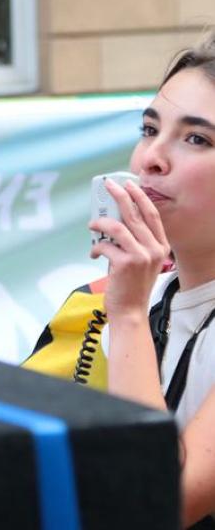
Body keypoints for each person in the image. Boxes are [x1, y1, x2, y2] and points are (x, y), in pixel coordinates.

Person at [92, 33, 215, 528]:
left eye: (197, 138)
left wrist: (124, 315)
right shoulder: (153, 299)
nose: (149, 159)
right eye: (149, 129)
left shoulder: (132, 309)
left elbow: (158, 502)